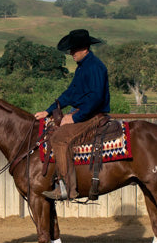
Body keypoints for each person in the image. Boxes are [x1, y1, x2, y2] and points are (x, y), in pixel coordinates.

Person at [33, 28, 110, 200]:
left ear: (84, 48)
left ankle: (67, 187)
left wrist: (74, 117)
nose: (71, 53)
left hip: (94, 115)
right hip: (84, 113)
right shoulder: (83, 67)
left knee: (59, 138)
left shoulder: (95, 67)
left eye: (73, 49)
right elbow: (70, 94)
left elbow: (96, 98)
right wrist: (48, 110)